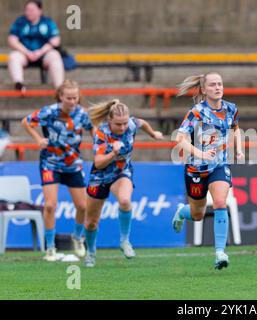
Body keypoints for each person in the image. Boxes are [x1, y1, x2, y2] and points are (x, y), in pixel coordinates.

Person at [171, 72, 243, 270]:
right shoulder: (196, 112)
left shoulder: (231, 108)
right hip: (196, 168)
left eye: (220, 83)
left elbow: (235, 128)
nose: (217, 87)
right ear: (203, 89)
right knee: (197, 214)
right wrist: (200, 154)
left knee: (220, 202)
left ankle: (220, 252)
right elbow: (180, 139)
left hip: (219, 165)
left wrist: (238, 148)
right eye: (212, 85)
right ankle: (181, 212)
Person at [83, 100, 163, 267]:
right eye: (118, 124)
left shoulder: (132, 124)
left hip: (121, 172)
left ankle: (125, 241)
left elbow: (142, 123)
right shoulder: (101, 133)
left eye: (125, 123)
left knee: (125, 201)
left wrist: (153, 133)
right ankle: (90, 252)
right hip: (100, 176)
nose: (122, 128)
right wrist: (113, 152)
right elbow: (98, 163)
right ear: (109, 121)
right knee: (91, 222)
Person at [21, 80, 94, 261]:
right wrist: (38, 138)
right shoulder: (49, 112)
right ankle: (50, 247)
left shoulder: (82, 114)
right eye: (68, 97)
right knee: (50, 205)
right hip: (50, 163)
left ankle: (77, 237)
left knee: (83, 206)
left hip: (73, 164)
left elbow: (93, 129)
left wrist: (98, 144)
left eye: (75, 98)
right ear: (61, 97)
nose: (71, 101)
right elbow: (26, 122)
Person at [8, 0, 64, 92]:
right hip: (24, 54)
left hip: (44, 54)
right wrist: (27, 52)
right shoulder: (20, 22)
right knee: (13, 56)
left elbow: (56, 40)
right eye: (27, 10)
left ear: (40, 10)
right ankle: (19, 85)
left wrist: (40, 52)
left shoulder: (48, 22)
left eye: (32, 10)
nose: (29, 12)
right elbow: (12, 40)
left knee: (55, 55)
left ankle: (59, 89)